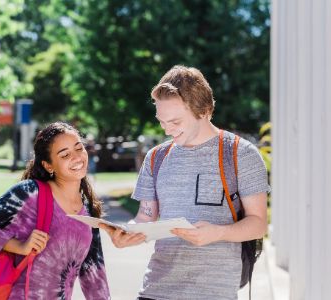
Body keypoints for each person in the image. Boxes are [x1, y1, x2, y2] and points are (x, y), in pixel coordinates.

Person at [100, 65, 270, 300]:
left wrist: (217, 233)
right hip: (155, 290)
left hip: (214, 293)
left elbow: (258, 224)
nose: (167, 129)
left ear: (203, 111)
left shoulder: (240, 154)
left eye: (175, 122)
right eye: (162, 121)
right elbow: (145, 217)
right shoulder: (156, 158)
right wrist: (127, 233)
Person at [0, 121, 110, 299]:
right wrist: (20, 246)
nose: (76, 157)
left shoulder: (88, 209)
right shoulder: (31, 193)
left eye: (79, 148)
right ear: (48, 165)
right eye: (65, 155)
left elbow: (94, 274)